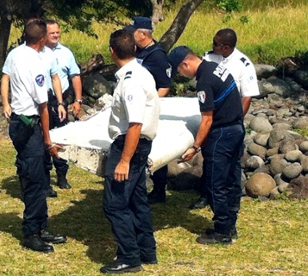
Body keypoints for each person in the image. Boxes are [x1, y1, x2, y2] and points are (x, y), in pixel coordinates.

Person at [167, 46, 245, 245]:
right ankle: (230, 224)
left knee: (214, 183)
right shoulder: (214, 67)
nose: (180, 75)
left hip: (221, 134)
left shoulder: (204, 82)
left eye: (179, 71)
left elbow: (207, 120)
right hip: (236, 128)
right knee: (230, 179)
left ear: (185, 64)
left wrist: (195, 146)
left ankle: (222, 231)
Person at [2, 19, 67, 253]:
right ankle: (31, 232)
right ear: (41, 39)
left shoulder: (16, 53)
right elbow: (42, 105)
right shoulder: (36, 62)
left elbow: (6, 77)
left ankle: (41, 226)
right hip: (29, 125)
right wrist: (48, 140)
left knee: (38, 178)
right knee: (35, 180)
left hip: (21, 122)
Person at [100, 29, 160, 274]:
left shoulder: (131, 80)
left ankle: (129, 256)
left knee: (114, 204)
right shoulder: (142, 72)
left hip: (129, 145)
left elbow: (135, 123)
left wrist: (124, 160)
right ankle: (146, 249)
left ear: (112, 52)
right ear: (135, 49)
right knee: (137, 200)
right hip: (137, 144)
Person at [189, 28, 260, 210]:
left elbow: (247, 96)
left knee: (231, 164)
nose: (212, 45)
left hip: (229, 120)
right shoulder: (209, 57)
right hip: (211, 116)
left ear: (226, 47)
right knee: (210, 158)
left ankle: (232, 201)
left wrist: (235, 119)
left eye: (215, 42)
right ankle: (206, 194)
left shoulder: (243, 64)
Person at [125, 16, 171, 204]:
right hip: (136, 104)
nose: (130, 35)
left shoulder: (157, 55)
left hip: (149, 109)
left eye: (133, 32)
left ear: (143, 34)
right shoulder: (138, 52)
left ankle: (159, 189)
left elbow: (165, 85)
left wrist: (152, 104)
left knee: (153, 147)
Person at [43, 19, 83, 190]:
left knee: (61, 137)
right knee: (43, 138)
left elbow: (75, 76)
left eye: (58, 32)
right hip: (44, 101)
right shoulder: (38, 52)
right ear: (44, 34)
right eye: (52, 33)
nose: (56, 35)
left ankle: (62, 175)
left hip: (61, 102)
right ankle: (44, 177)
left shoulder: (66, 52)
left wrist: (78, 100)